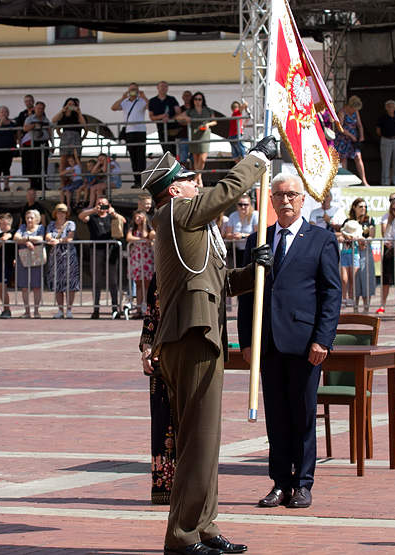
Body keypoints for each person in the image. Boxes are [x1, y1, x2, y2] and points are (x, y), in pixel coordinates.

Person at [142, 138, 275, 555]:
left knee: (205, 439)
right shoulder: (177, 214)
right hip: (191, 336)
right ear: (172, 190)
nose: (194, 182)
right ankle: (183, 536)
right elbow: (225, 194)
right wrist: (255, 159)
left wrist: (255, 270)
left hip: (200, 334)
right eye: (186, 178)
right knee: (197, 440)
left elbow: (217, 284)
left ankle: (203, 526)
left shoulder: (192, 227)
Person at [237, 171, 340, 511]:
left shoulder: (320, 239)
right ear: (271, 200)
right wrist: (245, 341)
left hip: (304, 343)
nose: (285, 201)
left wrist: (323, 339)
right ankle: (280, 482)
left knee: (303, 416)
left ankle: (303, 484)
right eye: (278, 195)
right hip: (267, 343)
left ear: (302, 199)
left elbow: (331, 294)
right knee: (277, 418)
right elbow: (246, 294)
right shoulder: (259, 240)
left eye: (291, 195)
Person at [139, 274, 174, 506]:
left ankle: (188, 487)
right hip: (162, 360)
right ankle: (164, 485)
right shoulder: (159, 276)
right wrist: (147, 348)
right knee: (162, 422)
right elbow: (151, 315)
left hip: (188, 358)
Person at [79, 197, 127, 319]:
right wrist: (93, 210)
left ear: (108, 205)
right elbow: (81, 216)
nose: (101, 206)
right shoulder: (93, 217)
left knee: (113, 281)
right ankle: (96, 309)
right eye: (99, 204)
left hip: (111, 251)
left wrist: (113, 212)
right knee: (96, 281)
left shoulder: (112, 217)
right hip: (96, 251)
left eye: (103, 204)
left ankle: (115, 308)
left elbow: (124, 221)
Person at [112, 82, 150, 188]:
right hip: (129, 132)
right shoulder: (124, 102)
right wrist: (122, 97)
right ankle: (137, 181)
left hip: (140, 131)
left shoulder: (142, 101)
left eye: (135, 89)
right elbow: (114, 108)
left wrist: (144, 96)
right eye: (131, 90)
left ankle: (143, 181)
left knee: (141, 158)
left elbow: (151, 107)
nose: (133, 92)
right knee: (133, 158)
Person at [45, 203, 80, 319]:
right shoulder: (51, 224)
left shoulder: (70, 224)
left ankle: (69, 309)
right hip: (56, 257)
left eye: (63, 212)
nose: (61, 214)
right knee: (58, 283)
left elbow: (70, 237)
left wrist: (58, 241)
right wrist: (52, 240)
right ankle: (60, 309)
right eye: (59, 212)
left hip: (68, 256)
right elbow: (48, 236)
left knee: (70, 283)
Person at [14, 209, 45, 318]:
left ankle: (36, 311)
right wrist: (27, 242)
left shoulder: (40, 228)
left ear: (36, 219)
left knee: (36, 286)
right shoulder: (22, 227)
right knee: (24, 287)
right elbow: (16, 237)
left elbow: (40, 238)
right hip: (23, 258)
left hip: (36, 258)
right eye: (27, 218)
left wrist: (27, 238)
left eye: (31, 218)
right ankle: (27, 311)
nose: (29, 220)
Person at [376, 193, 395, 315]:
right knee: (386, 279)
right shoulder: (387, 218)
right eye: (392, 201)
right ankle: (383, 304)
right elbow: (384, 234)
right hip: (390, 251)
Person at [333, 96, 369, 185]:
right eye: (353, 109)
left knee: (358, 157)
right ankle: (345, 181)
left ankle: (364, 180)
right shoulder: (342, 112)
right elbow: (340, 127)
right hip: (343, 137)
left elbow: (359, 125)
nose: (354, 111)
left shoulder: (356, 113)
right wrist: (350, 135)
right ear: (350, 106)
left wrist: (361, 136)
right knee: (343, 159)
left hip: (354, 138)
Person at [126, 210, 155, 315]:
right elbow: (129, 238)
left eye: (140, 217)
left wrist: (144, 224)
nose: (138, 219)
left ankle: (146, 307)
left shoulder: (149, 229)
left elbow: (145, 234)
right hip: (136, 258)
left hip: (146, 259)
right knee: (138, 284)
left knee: (147, 283)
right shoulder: (132, 229)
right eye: (137, 217)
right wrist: (140, 239)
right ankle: (138, 308)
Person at [186, 92, 217, 188]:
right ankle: (200, 181)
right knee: (196, 158)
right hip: (195, 134)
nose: (197, 101)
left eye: (199, 99)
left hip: (205, 134)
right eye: (196, 99)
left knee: (202, 159)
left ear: (202, 100)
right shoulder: (190, 111)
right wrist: (186, 118)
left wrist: (208, 124)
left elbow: (214, 121)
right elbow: (179, 117)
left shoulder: (208, 110)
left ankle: (195, 178)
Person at [52, 97, 86, 185]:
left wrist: (79, 112)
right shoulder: (62, 115)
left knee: (76, 160)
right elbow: (54, 121)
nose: (71, 106)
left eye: (72, 105)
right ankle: (63, 183)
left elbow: (84, 124)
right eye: (69, 104)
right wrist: (62, 110)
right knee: (64, 161)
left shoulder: (77, 115)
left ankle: (75, 181)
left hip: (75, 139)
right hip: (65, 140)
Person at [22, 101, 51, 190]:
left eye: (42, 109)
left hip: (44, 143)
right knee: (34, 165)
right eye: (38, 108)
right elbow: (25, 128)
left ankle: (43, 184)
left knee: (44, 164)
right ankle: (34, 185)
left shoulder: (46, 120)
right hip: (35, 143)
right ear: (35, 109)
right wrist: (34, 125)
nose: (40, 110)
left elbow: (49, 132)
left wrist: (52, 144)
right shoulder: (30, 119)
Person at [149, 81, 182, 156]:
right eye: (162, 86)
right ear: (158, 87)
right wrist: (161, 117)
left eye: (165, 86)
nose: (163, 88)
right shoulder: (153, 101)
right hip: (161, 129)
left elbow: (178, 112)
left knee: (174, 150)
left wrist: (170, 120)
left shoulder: (172, 99)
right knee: (166, 150)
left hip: (173, 129)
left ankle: (174, 166)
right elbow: (151, 117)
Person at [0, 106, 17, 192]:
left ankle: (6, 186)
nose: (4, 113)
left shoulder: (12, 124)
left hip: (8, 149)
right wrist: (0, 123)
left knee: (6, 167)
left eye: (6, 112)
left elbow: (16, 134)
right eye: (2, 112)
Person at [0, 213, 15, 319]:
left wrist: (1, 240)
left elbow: (8, 236)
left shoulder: (12, 232)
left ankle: (7, 309)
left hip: (7, 263)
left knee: (3, 286)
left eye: (0, 224)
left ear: (5, 223)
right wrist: (0, 242)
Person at [377, 99, 395, 186]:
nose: (391, 108)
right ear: (386, 107)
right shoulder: (382, 117)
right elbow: (378, 130)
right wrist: (384, 137)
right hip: (386, 140)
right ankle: (385, 182)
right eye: (389, 106)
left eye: (392, 106)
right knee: (386, 162)